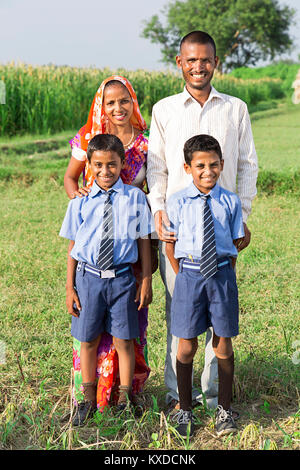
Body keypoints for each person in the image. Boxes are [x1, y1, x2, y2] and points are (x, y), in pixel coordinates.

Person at [146, 31, 258, 412]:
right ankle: (180, 397)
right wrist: (159, 212)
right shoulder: (164, 110)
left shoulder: (235, 108)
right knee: (179, 314)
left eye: (205, 60)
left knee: (219, 317)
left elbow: (246, 165)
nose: (198, 67)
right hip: (180, 233)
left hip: (222, 232)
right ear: (179, 63)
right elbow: (157, 168)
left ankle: (215, 397)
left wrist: (241, 216)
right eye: (191, 60)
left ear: (216, 62)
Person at [64, 76, 151, 411]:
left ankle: (127, 393)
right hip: (91, 247)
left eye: (124, 100)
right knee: (89, 333)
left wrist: (146, 272)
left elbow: (151, 194)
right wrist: (81, 200)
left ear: (133, 102)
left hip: (129, 247)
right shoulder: (88, 139)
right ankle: (91, 397)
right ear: (101, 103)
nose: (118, 108)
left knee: (128, 330)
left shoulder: (145, 144)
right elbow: (71, 179)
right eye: (111, 102)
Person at [166, 134, 244, 437]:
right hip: (190, 275)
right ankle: (184, 408)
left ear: (222, 165)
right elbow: (170, 244)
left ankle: (224, 409)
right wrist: (184, 275)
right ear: (188, 168)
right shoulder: (177, 202)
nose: (207, 171)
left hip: (222, 275)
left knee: (223, 341)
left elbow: (236, 241)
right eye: (200, 165)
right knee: (186, 344)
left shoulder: (230, 201)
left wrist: (224, 273)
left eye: (213, 164)